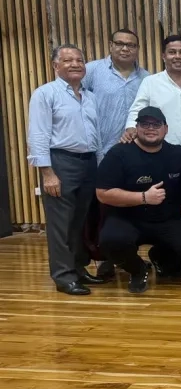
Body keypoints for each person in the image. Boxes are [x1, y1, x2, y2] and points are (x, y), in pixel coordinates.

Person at [97, 107, 181, 294]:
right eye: (145, 124)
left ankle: (160, 256)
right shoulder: (119, 153)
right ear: (136, 128)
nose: (151, 128)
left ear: (166, 129)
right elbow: (102, 193)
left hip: (167, 220)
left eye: (156, 124)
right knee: (110, 240)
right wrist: (143, 198)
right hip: (127, 219)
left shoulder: (179, 155)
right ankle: (137, 269)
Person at [27, 44, 101, 295]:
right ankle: (63, 276)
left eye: (79, 60)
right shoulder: (45, 94)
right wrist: (47, 173)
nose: (75, 64)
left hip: (89, 162)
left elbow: (95, 135)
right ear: (55, 65)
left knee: (80, 222)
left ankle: (79, 269)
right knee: (61, 223)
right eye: (68, 60)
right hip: (61, 163)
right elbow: (37, 134)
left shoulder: (89, 97)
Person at [82, 28, 150, 279]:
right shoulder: (92, 72)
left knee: (130, 207)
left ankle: (128, 256)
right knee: (99, 210)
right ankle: (105, 258)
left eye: (130, 45)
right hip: (98, 151)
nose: (125, 48)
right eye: (119, 44)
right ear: (110, 45)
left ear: (137, 49)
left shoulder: (147, 78)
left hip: (134, 156)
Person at [122, 35, 181, 157]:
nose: (177, 56)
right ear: (164, 56)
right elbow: (137, 109)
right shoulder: (151, 82)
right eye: (172, 52)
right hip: (162, 155)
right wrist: (131, 128)